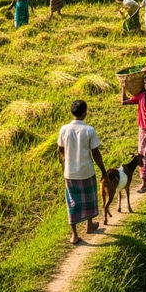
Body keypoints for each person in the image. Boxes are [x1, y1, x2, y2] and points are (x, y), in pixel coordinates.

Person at [57, 99, 106, 245]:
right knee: (89, 199)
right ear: (85, 113)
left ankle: (74, 235)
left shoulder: (64, 129)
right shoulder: (89, 130)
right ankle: (90, 225)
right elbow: (96, 153)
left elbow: (61, 150)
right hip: (86, 171)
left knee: (72, 202)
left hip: (70, 172)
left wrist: (64, 166)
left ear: (72, 113)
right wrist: (103, 170)